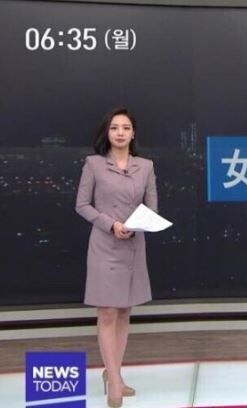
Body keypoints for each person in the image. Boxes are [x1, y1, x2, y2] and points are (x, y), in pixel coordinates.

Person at [75, 107, 157, 408]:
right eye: (114, 128)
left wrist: (135, 226)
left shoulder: (145, 166)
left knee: (123, 311)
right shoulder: (94, 164)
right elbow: (82, 205)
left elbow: (152, 208)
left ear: (133, 133)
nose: (120, 132)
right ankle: (113, 380)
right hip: (104, 245)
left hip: (133, 245)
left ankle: (115, 374)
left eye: (125, 128)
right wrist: (111, 224)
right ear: (107, 133)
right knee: (107, 311)